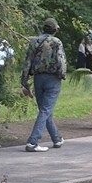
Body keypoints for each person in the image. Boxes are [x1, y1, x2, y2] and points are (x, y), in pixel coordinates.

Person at [20, 17, 67, 152]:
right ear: (55, 29)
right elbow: (61, 60)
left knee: (44, 110)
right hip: (53, 79)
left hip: (38, 78)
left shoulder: (34, 41)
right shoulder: (56, 42)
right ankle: (33, 142)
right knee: (45, 110)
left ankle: (57, 139)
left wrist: (24, 80)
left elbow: (28, 61)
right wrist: (62, 75)